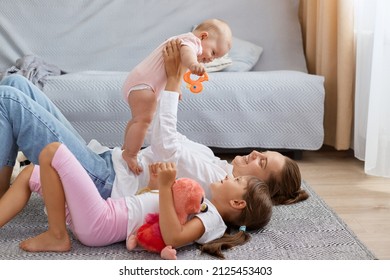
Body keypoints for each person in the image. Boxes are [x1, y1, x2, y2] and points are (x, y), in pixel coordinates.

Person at [0, 39, 307, 205]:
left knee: (8, 99)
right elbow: (167, 138)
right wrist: (166, 88)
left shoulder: (214, 180)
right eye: (263, 153)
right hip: (107, 163)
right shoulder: (217, 164)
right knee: (17, 87)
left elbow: (166, 143)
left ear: (258, 187)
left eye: (262, 163)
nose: (256, 154)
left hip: (105, 183)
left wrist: (173, 81)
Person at [0, 141, 272, 259]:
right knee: (30, 174)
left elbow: (173, 235)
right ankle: (57, 230)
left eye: (236, 181)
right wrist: (155, 187)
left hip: (102, 222)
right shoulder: (203, 203)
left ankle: (58, 236)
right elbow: (151, 212)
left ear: (238, 203)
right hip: (103, 212)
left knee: (53, 152)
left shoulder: (213, 220)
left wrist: (165, 189)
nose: (229, 177)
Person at [121, 19, 232, 175]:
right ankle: (130, 154)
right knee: (144, 120)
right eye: (213, 52)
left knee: (137, 120)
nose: (210, 59)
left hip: (139, 82)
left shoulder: (188, 42)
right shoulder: (191, 42)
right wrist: (193, 64)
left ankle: (126, 147)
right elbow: (187, 55)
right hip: (144, 85)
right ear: (203, 37)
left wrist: (177, 87)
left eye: (215, 58)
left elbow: (174, 70)